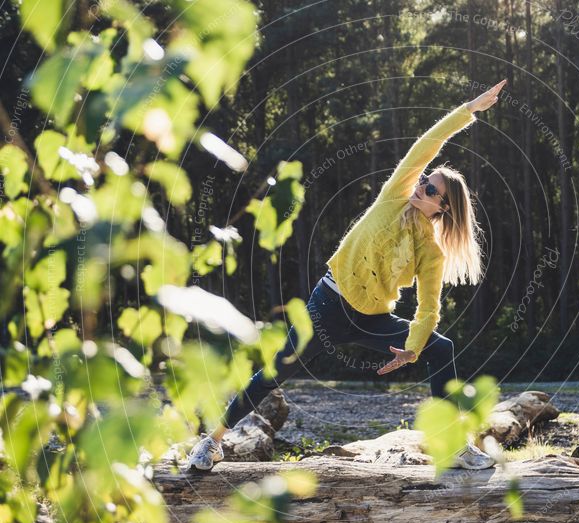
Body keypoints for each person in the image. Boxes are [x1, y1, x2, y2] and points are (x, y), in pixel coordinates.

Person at [188, 79, 508, 471]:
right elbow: (428, 144)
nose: (421, 186)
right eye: (424, 181)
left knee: (440, 347)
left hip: (371, 319)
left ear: (442, 207)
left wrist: (411, 348)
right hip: (327, 306)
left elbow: (429, 309)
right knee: (274, 372)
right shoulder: (394, 195)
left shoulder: (431, 250)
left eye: (430, 189)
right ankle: (213, 441)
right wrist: (469, 110)